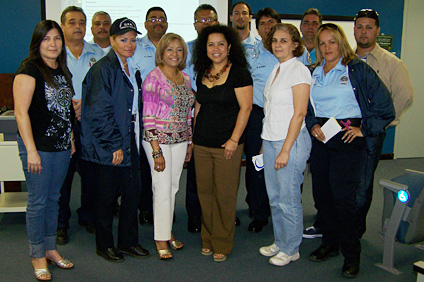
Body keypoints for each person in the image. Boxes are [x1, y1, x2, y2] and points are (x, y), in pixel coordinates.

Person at [305, 23, 395, 278]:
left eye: (331, 42)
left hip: (347, 139)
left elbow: (385, 106)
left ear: (341, 43)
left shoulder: (356, 69)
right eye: (322, 43)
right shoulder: (314, 72)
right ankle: (330, 243)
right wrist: (312, 125)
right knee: (322, 195)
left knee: (344, 200)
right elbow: (308, 107)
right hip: (322, 138)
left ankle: (351, 254)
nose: (326, 47)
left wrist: (364, 129)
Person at [80, 17, 150, 263]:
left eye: (132, 40)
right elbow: (98, 112)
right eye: (123, 39)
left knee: (132, 192)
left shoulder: (132, 67)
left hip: (130, 137)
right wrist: (114, 145)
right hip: (110, 141)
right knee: (106, 196)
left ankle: (129, 242)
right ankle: (105, 244)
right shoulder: (103, 69)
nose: (129, 44)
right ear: (111, 40)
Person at [14, 20, 75, 281]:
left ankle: (50, 249)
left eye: (57, 39)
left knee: (54, 199)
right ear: (37, 42)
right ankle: (37, 254)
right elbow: (20, 112)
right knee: (38, 203)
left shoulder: (62, 69)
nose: (53, 44)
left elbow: (64, 108)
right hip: (37, 147)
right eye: (47, 39)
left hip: (61, 146)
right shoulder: (29, 69)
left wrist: (70, 137)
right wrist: (31, 150)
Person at [192, 24, 253, 262]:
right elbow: (198, 106)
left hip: (227, 144)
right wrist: (193, 137)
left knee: (224, 196)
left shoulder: (239, 73)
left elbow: (246, 108)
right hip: (202, 144)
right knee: (205, 194)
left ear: (229, 46)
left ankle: (222, 242)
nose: (215, 49)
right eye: (210, 44)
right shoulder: (203, 72)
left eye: (220, 44)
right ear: (204, 48)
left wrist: (234, 139)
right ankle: (207, 238)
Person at [354, 8, 414, 237]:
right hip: (348, 130)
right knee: (343, 179)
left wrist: (380, 123)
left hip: (370, 132)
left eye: (369, 27)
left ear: (377, 30)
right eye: (359, 27)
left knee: (362, 184)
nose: (363, 32)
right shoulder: (347, 58)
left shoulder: (391, 63)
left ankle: (355, 232)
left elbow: (405, 96)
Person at [258, 23, 312, 267]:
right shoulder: (277, 69)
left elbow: (299, 114)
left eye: (283, 40)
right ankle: (280, 242)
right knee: (274, 197)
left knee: (288, 198)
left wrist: (286, 149)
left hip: (290, 142)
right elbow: (270, 110)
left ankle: (292, 248)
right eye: (275, 40)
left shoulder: (298, 70)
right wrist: (264, 142)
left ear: (295, 45)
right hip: (270, 140)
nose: (278, 44)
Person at [142, 33, 195, 260]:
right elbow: (148, 117)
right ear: (161, 53)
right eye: (170, 49)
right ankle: (160, 238)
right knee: (161, 188)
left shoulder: (185, 78)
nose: (175, 54)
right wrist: (156, 151)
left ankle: (167, 230)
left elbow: (188, 114)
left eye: (179, 50)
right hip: (158, 141)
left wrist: (190, 141)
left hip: (181, 139)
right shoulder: (153, 78)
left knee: (172, 188)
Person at [57, 6, 104, 245]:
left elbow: (104, 85)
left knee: (91, 173)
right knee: (63, 176)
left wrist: (84, 103)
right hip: (62, 123)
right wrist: (70, 104)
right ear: (62, 25)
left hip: (90, 122)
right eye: (72, 22)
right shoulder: (54, 52)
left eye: (81, 22)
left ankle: (88, 215)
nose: (78, 27)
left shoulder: (98, 52)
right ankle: (60, 223)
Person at [243, 7, 281, 233]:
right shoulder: (250, 53)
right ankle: (259, 212)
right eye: (263, 24)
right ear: (257, 28)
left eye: (271, 23)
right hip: (257, 115)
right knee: (256, 164)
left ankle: (282, 210)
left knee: (282, 164)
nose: (268, 27)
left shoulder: (294, 51)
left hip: (283, 117)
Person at [184, 4, 220, 233]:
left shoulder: (224, 49)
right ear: (194, 24)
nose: (205, 24)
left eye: (209, 20)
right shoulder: (185, 49)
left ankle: (219, 214)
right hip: (194, 113)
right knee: (197, 169)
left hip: (221, 116)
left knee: (220, 169)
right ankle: (195, 216)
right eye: (200, 20)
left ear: (216, 23)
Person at [133, 6, 169, 226]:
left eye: (162, 19)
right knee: (147, 165)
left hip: (169, 116)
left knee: (169, 165)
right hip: (145, 113)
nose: (158, 22)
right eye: (153, 19)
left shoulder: (174, 46)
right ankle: (146, 208)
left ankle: (166, 208)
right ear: (145, 24)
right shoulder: (135, 47)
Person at [230, 1, 260, 227]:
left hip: (254, 112)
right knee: (227, 164)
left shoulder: (261, 46)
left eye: (245, 13)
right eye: (237, 13)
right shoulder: (224, 44)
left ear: (250, 18)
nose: (241, 16)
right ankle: (227, 209)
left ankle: (255, 205)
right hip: (227, 112)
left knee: (254, 162)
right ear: (231, 17)